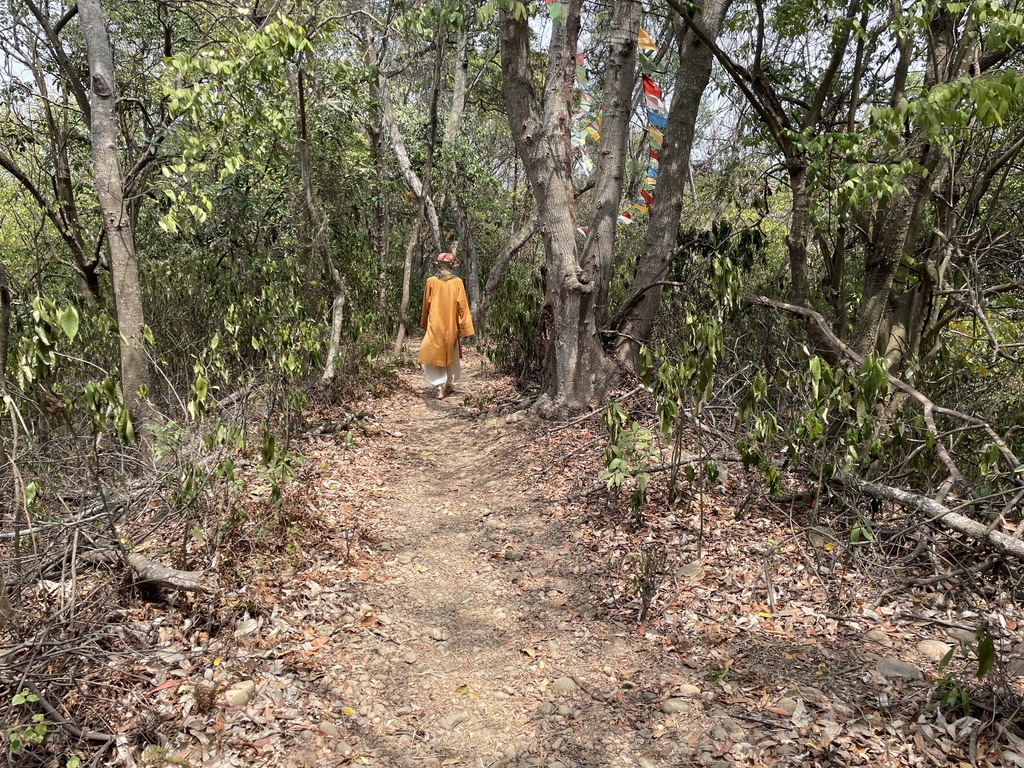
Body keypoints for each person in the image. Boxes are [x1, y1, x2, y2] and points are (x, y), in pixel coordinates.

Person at [417, 252, 475, 399]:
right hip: (451, 325)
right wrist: (466, 328)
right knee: (450, 354)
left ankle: (439, 387)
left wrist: (424, 322)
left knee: (434, 354)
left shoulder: (431, 281)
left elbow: (426, 304)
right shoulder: (458, 282)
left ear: (438, 265)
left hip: (434, 324)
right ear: (452, 266)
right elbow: (463, 306)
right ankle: (448, 384)